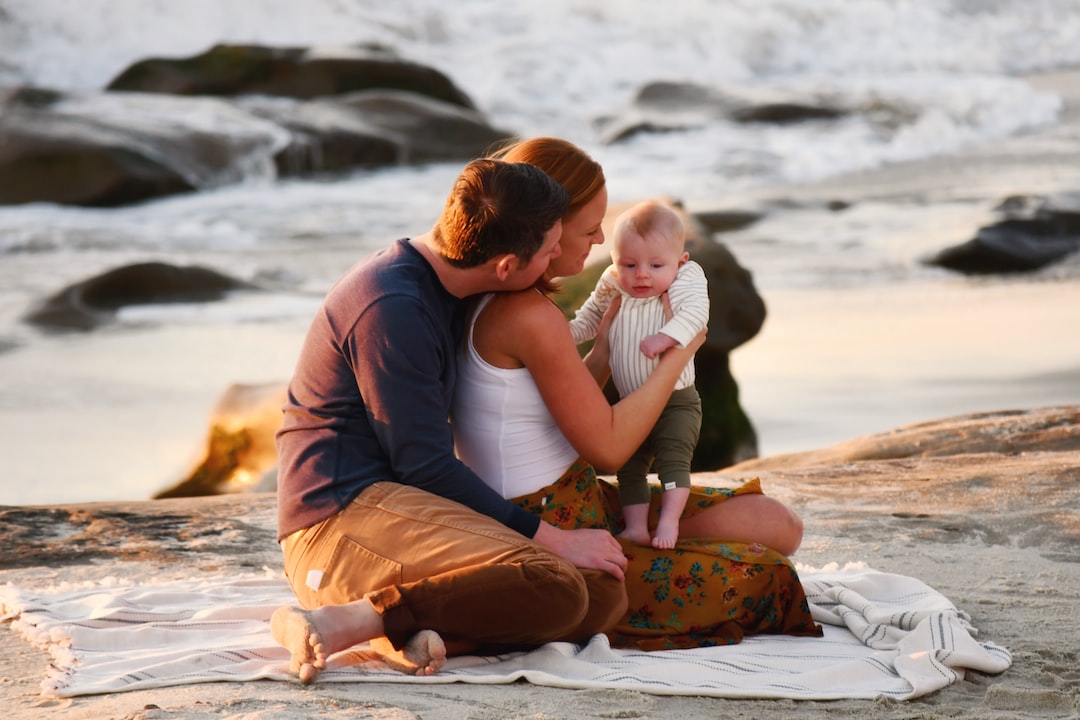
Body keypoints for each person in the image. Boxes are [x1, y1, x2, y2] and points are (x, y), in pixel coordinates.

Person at [270, 157, 704, 684]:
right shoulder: (392, 307)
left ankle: (410, 634)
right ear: (505, 267)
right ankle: (342, 619)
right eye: (549, 249)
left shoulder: (450, 282)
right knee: (559, 581)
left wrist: (605, 354)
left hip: (405, 506)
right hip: (339, 519)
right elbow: (426, 466)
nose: (559, 259)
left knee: (601, 589)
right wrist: (552, 536)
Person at [455, 137, 822, 650]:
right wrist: (681, 352)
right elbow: (608, 449)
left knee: (775, 522)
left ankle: (655, 541)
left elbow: (557, 421)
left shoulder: (506, 300)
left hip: (581, 496)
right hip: (552, 526)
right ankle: (653, 551)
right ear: (548, 227)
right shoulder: (526, 315)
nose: (601, 240)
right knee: (771, 576)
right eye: (589, 228)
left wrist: (603, 355)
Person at [567, 200, 708, 549]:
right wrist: (560, 337)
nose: (641, 274)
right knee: (629, 466)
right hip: (631, 402)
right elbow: (589, 319)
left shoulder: (686, 277)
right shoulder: (615, 282)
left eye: (656, 265)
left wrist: (666, 337)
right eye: (629, 264)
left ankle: (669, 523)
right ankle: (635, 527)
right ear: (615, 261)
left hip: (676, 401)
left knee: (673, 460)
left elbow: (695, 315)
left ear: (680, 261)